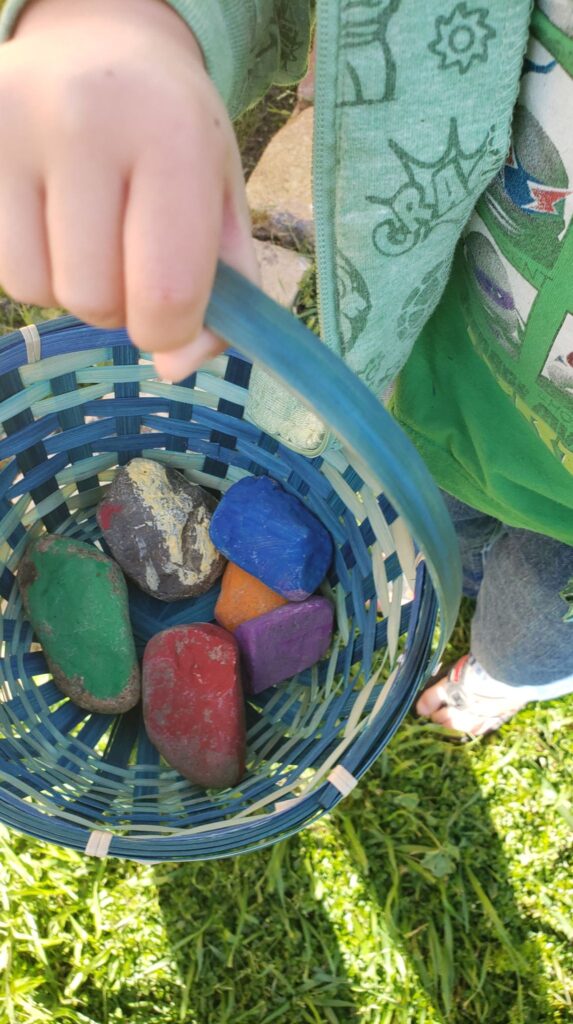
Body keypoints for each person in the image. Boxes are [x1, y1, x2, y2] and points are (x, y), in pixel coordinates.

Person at [0, 0, 571, 736]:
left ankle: (493, 684)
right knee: (448, 530)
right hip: (441, 379)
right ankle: (458, 578)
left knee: (525, 635)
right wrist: (131, 20)